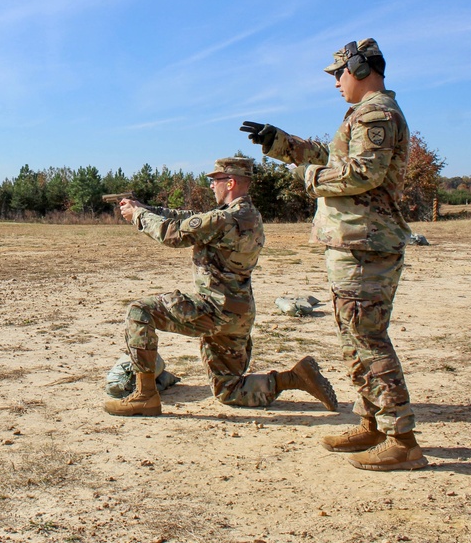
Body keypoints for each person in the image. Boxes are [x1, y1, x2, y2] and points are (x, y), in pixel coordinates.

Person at [240, 38, 427, 471]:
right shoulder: (362, 114)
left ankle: (402, 438)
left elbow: (362, 172)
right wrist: (281, 144)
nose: (336, 82)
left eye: (339, 73)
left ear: (361, 69)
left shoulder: (377, 113)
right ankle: (373, 424)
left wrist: (309, 176)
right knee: (354, 337)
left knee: (367, 338)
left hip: (366, 243)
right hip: (355, 242)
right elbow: (334, 156)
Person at [104, 156, 338, 417]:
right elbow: (191, 218)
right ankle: (293, 378)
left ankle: (145, 396)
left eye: (214, 181)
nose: (211, 186)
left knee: (140, 311)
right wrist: (145, 208)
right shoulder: (249, 215)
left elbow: (173, 234)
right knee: (230, 391)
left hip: (212, 310)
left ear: (230, 182)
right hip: (238, 314)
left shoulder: (224, 220)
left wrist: (137, 215)